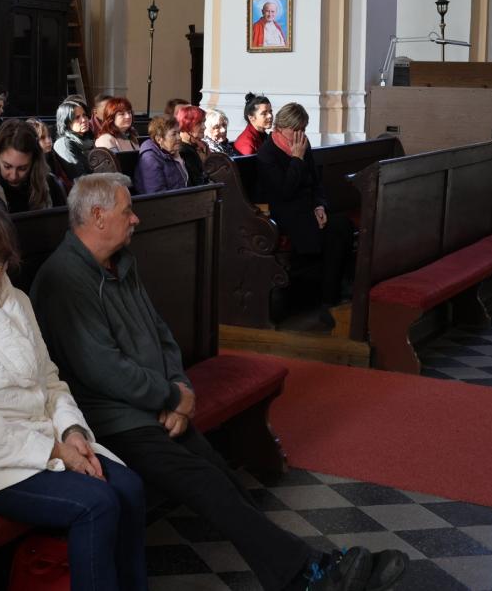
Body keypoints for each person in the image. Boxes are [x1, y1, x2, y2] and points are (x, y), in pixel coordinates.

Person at [31, 174, 407, 591]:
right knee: (207, 483)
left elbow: (160, 333)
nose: (135, 218)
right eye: (127, 210)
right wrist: (170, 396)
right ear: (98, 216)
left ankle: (300, 572)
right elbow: (101, 368)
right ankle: (308, 574)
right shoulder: (63, 279)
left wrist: (180, 390)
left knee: (221, 476)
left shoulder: (120, 262)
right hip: (114, 421)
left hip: (155, 407)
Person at [0, 199, 146, 591]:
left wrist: (72, 432)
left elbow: (48, 378)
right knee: (95, 504)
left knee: (130, 488)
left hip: (41, 439)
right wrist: (55, 451)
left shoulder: (16, 300)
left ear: (7, 261)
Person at [257, 103, 355, 323]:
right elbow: (285, 192)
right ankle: (330, 299)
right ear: (280, 127)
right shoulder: (267, 153)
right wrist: (296, 159)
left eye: (302, 129)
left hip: (308, 209)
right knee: (334, 233)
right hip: (284, 214)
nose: (299, 135)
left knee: (343, 225)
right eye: (295, 130)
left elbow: (316, 183)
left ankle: (335, 296)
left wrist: (320, 206)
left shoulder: (303, 144)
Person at [0, 120, 65, 213]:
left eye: (22, 168)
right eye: (7, 166)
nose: (14, 176)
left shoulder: (49, 183)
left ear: (34, 162)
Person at [133, 115, 189, 195]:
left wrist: (179, 161)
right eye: (174, 134)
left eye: (178, 133)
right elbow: (156, 194)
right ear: (159, 139)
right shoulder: (150, 159)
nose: (179, 138)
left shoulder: (173, 152)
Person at [53, 99, 94, 182]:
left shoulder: (88, 140)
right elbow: (79, 178)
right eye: (77, 117)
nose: (84, 120)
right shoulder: (64, 143)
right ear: (66, 122)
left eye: (84, 115)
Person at [174, 105, 210, 186]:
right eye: (199, 123)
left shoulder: (198, 147)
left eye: (204, 122)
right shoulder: (184, 151)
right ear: (187, 124)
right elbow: (198, 184)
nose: (204, 127)